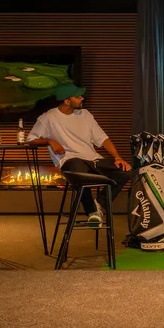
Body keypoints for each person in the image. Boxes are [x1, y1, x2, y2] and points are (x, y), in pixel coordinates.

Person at [27, 83, 131, 224]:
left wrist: (117, 157)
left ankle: (99, 205)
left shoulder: (86, 115)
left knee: (124, 172)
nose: (82, 98)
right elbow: (30, 140)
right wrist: (50, 140)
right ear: (67, 101)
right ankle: (92, 212)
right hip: (70, 161)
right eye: (78, 96)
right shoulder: (49, 118)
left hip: (92, 160)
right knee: (78, 170)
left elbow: (103, 138)